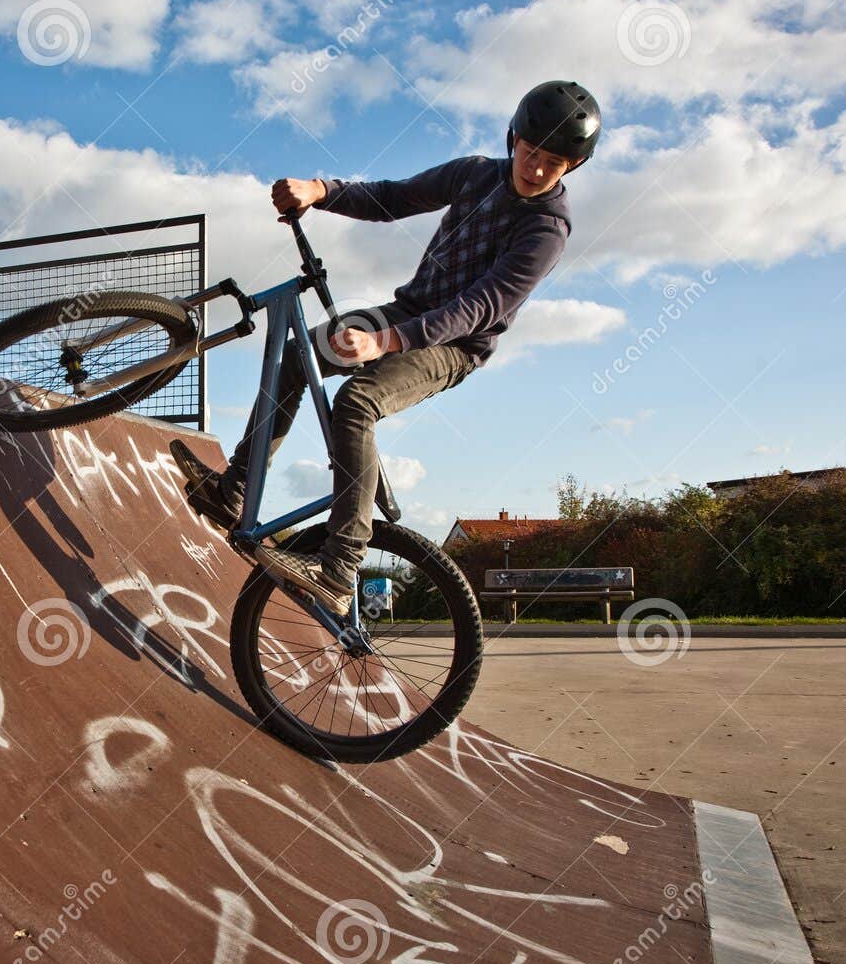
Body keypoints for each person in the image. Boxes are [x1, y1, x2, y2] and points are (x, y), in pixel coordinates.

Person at [171, 80, 601, 612]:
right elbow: (393, 197)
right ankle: (233, 488)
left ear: (572, 168)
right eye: (531, 152)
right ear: (513, 138)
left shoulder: (547, 228)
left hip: (454, 346)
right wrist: (321, 190)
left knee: (358, 402)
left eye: (552, 163)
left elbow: (481, 305)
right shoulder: (473, 175)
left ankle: (340, 566)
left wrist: (385, 341)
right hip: (405, 311)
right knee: (294, 359)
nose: (535, 169)